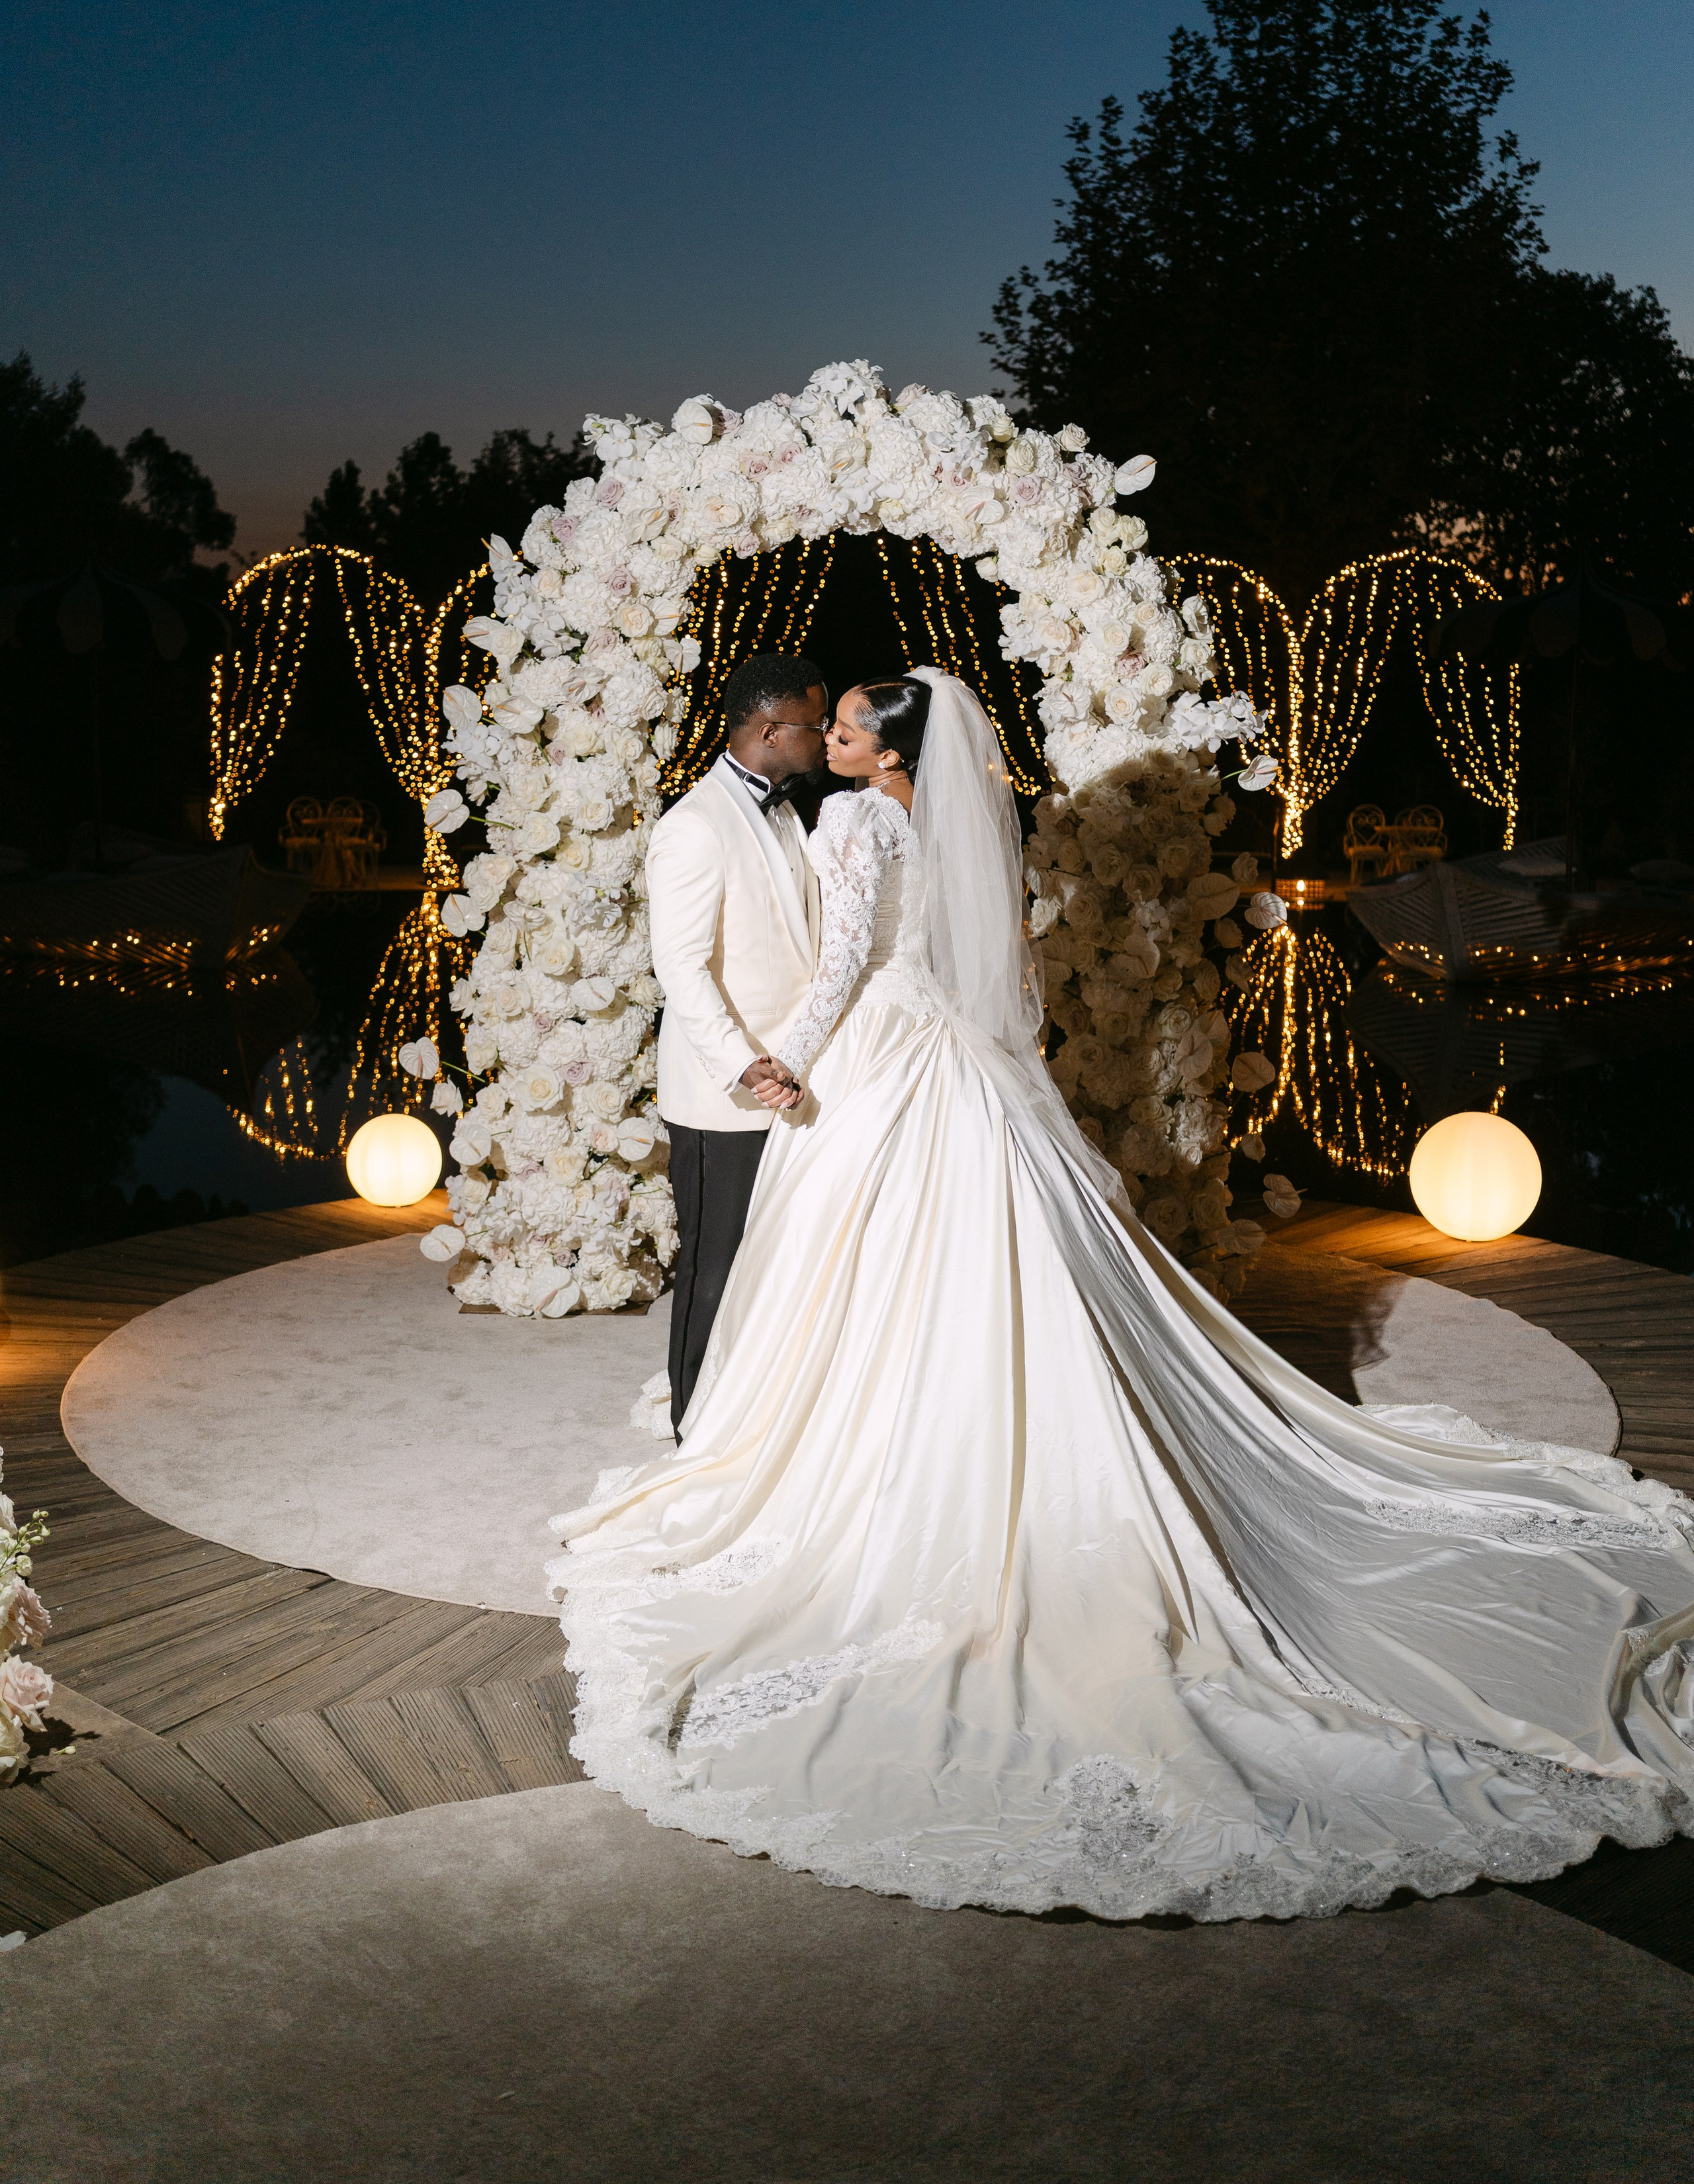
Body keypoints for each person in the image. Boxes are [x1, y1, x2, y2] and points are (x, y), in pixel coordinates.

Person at [551, 668, 1694, 1923]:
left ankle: (874, 1457)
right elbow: (981, 964)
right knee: (987, 1256)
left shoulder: (853, 819)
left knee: (862, 1260)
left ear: (887, 755)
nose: (826, 739)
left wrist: (791, 1068)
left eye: (844, 729)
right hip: (954, 1056)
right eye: (817, 726)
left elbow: (836, 969)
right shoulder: (954, 813)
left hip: (874, 1054)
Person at [645, 653, 828, 1435]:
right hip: (726, 1093)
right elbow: (679, 966)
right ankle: (692, 1421)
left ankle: (753, 1416)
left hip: (796, 1084)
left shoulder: (785, 811)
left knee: (778, 1263)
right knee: (712, 1268)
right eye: (813, 725)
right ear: (768, 730)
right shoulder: (692, 824)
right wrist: (742, 1063)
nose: (823, 739)